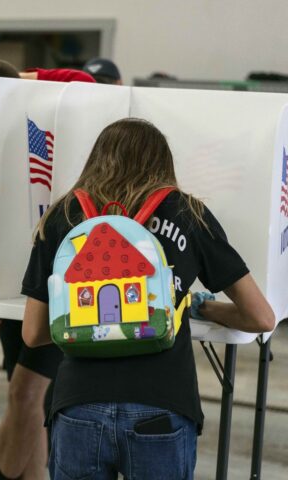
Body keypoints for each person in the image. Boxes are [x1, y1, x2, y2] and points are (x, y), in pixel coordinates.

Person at [21, 118, 274, 479]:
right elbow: (260, 318)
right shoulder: (188, 214)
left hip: (79, 404)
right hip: (162, 402)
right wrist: (203, 306)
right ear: (163, 163)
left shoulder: (63, 217)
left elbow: (33, 333)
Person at [0, 58, 94, 480]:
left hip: (52, 278)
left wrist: (15, 81)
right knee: (23, 395)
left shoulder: (51, 112)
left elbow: (84, 80)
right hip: (6, 281)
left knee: (27, 391)